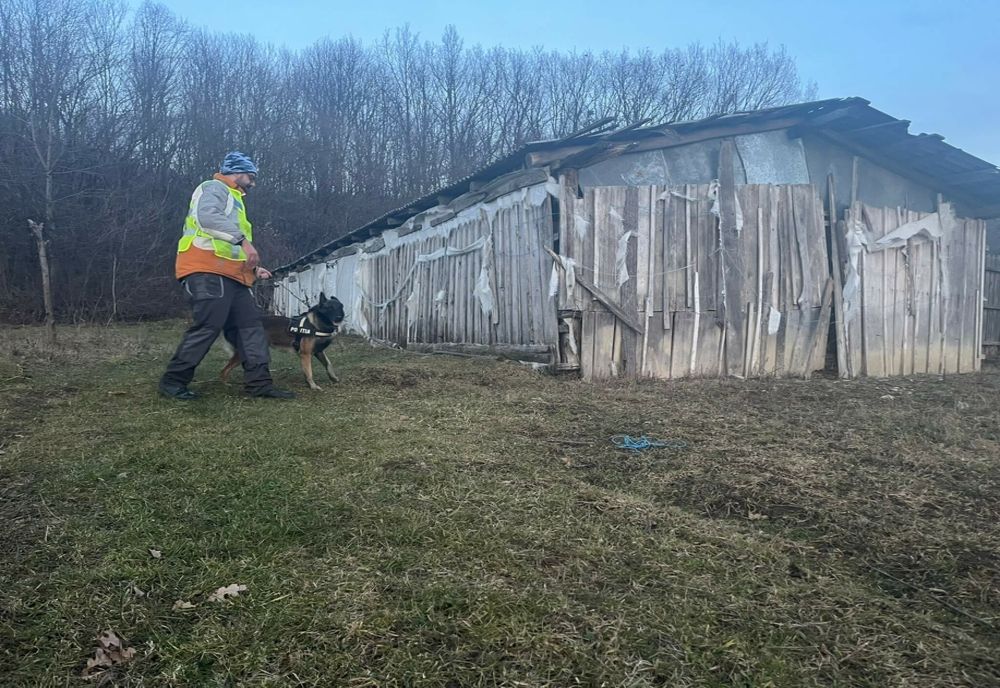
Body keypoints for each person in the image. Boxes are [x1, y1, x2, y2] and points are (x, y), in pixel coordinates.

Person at [159, 151, 294, 400]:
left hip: (233, 276)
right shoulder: (214, 187)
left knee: (252, 328)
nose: (253, 183)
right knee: (208, 326)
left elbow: (228, 246)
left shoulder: (235, 199)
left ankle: (259, 385)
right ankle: (173, 382)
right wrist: (244, 242)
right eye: (251, 177)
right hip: (206, 270)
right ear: (238, 172)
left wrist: (253, 269)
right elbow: (207, 218)